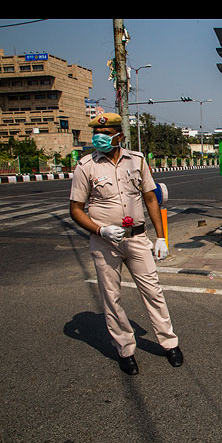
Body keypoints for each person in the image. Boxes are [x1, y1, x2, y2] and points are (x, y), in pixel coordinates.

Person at [69, 113, 183, 375]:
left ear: (119, 135)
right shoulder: (86, 166)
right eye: (97, 133)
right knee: (111, 298)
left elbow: (151, 200)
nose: (101, 137)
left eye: (106, 133)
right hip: (104, 242)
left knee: (153, 292)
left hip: (137, 238)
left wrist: (162, 237)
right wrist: (100, 229)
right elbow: (75, 209)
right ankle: (125, 349)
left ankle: (169, 343)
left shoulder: (137, 161)